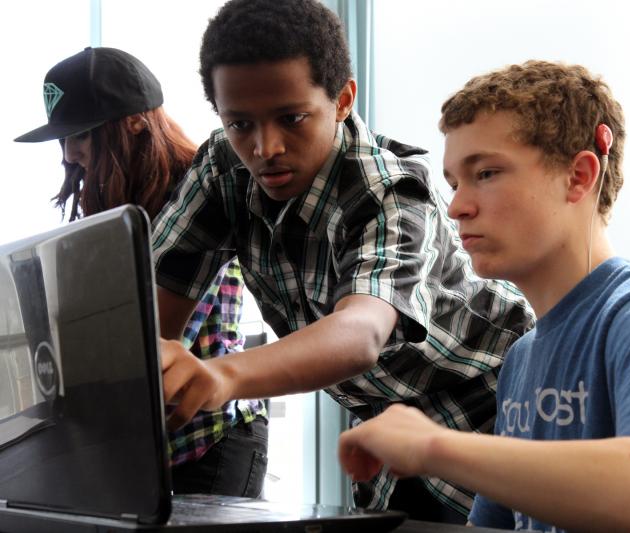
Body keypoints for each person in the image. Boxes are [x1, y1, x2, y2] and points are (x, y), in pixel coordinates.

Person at [150, 0, 533, 522]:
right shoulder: (223, 169)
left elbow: (360, 333)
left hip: (500, 415)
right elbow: (155, 311)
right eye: (240, 123)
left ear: (343, 99)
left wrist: (225, 376)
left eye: (291, 118)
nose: (265, 148)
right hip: (389, 431)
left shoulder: (390, 192)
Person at [337, 60, 630, 532]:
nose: (456, 206)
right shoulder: (521, 359)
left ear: (579, 176)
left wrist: (434, 447)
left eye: (487, 173)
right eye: (454, 183)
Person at [14, 47, 269, 499]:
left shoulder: (197, 194)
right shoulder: (114, 210)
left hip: (210, 440)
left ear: (135, 122)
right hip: (146, 443)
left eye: (84, 135)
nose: (70, 154)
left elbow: (157, 337)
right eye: (65, 138)